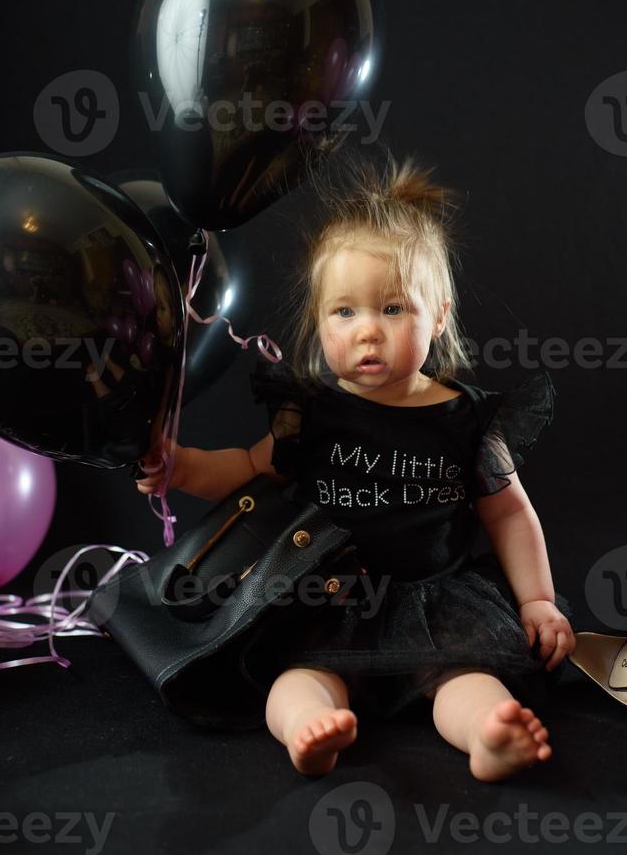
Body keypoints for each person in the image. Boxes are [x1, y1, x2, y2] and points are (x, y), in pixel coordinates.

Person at [136, 149, 576, 782]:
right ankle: (308, 729)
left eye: (392, 309)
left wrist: (536, 600)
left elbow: (509, 513)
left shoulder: (467, 419)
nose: (367, 331)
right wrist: (179, 468)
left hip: (436, 602)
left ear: (440, 315)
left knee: (464, 676)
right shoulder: (312, 412)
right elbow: (246, 469)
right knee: (298, 677)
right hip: (326, 596)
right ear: (319, 323)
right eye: (345, 312)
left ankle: (488, 732)